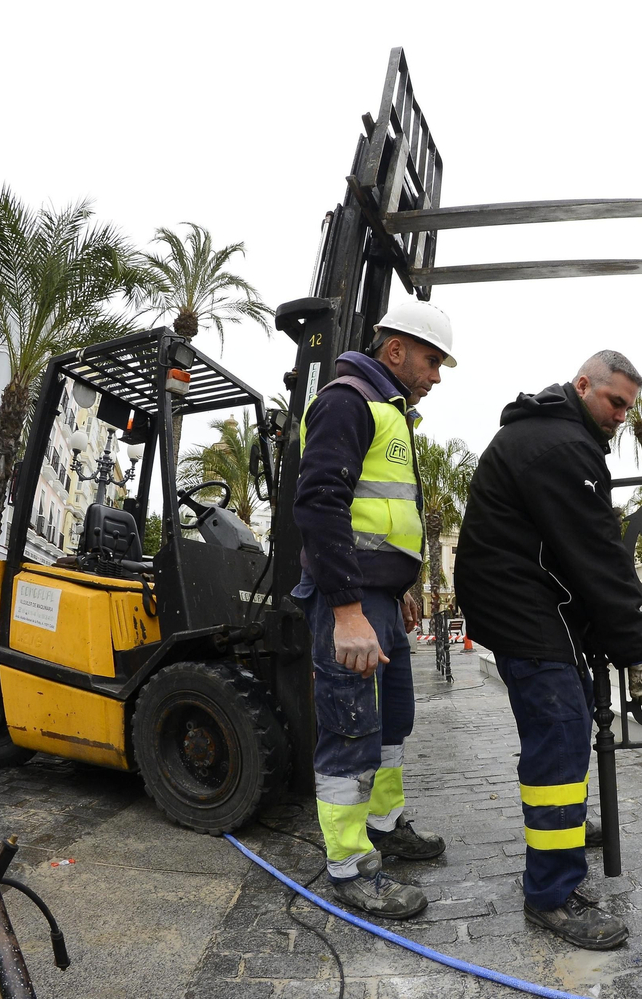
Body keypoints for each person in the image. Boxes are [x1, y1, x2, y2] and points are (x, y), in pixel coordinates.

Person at [455, 350, 642, 950]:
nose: (622, 417)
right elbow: (596, 556)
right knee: (561, 737)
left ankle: (564, 827)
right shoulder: (560, 447)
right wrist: (636, 650)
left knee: (567, 724)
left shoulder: (554, 434)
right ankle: (550, 893)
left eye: (629, 407)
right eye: (615, 402)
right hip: (520, 605)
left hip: (527, 601)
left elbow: (577, 555)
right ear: (583, 386)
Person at [291, 298, 456, 919]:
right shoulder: (346, 401)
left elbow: (383, 517)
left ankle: (386, 827)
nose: (436, 375)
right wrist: (348, 611)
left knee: (390, 726)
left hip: (380, 599)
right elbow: (320, 505)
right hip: (351, 603)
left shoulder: (387, 412)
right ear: (396, 351)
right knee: (350, 730)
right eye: (432, 360)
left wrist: (403, 587)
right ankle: (351, 867)